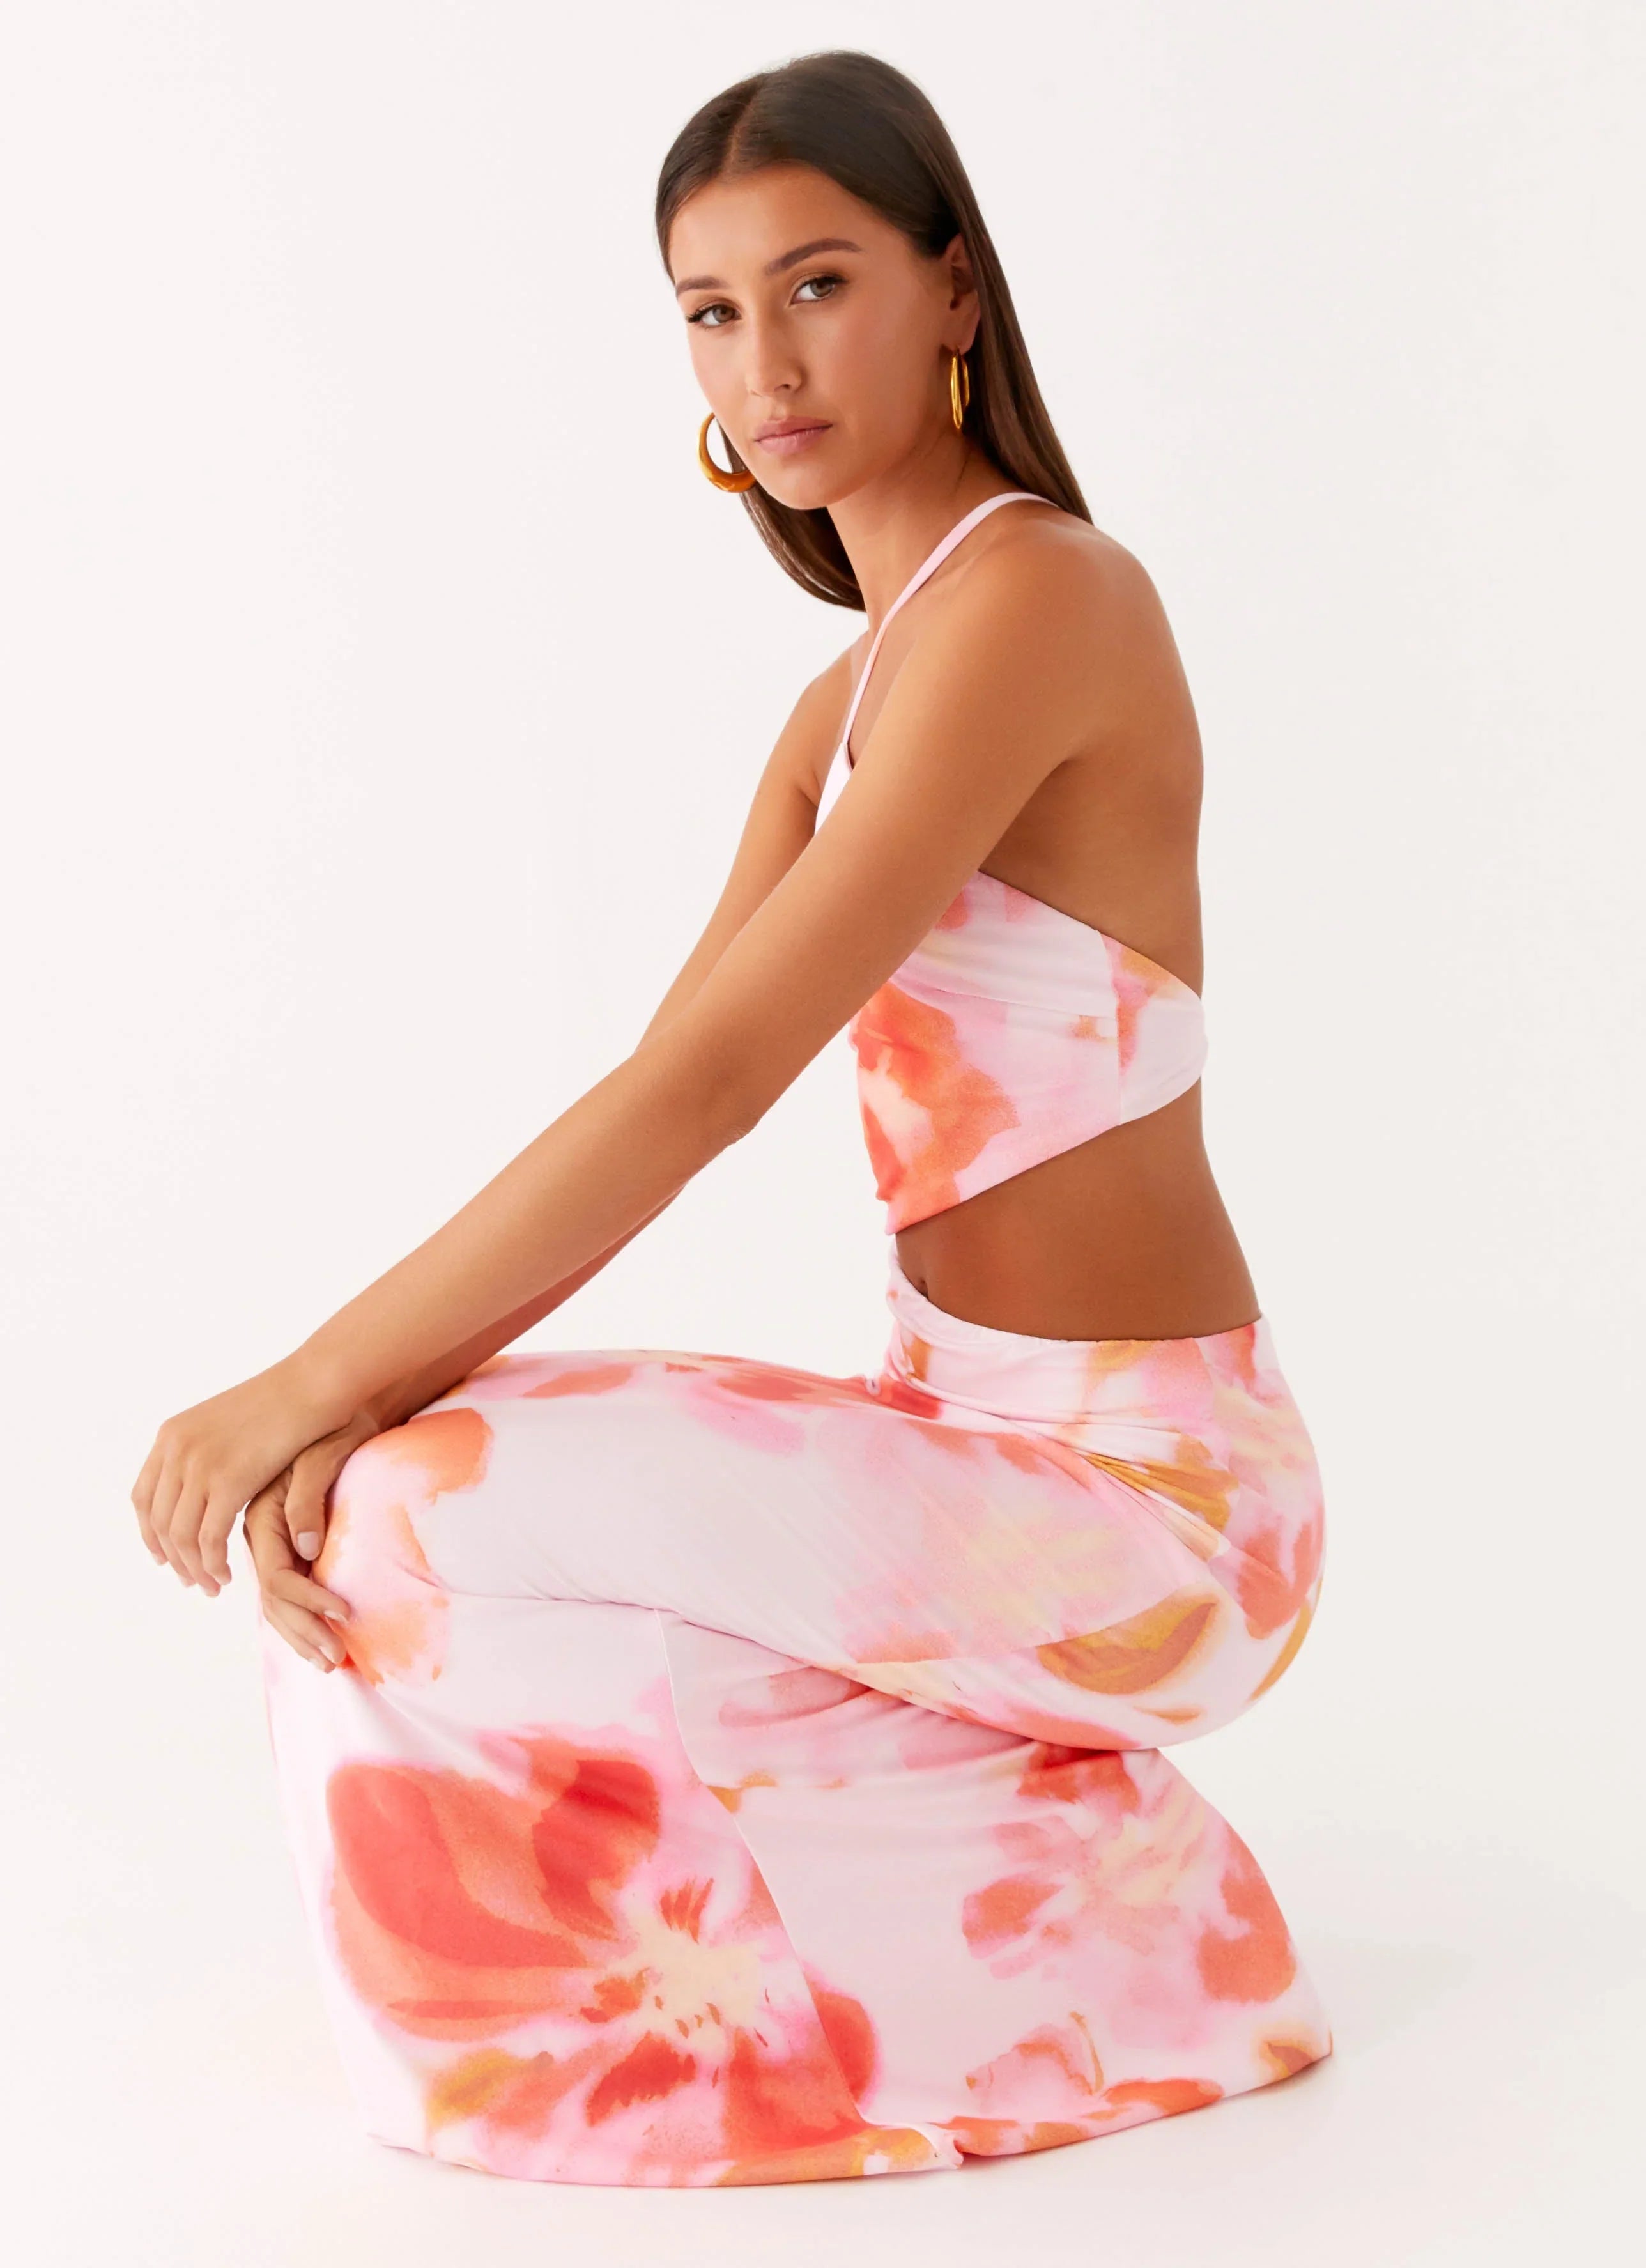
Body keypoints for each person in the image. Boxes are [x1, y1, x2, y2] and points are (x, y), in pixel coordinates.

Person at [132, 49, 1331, 2189]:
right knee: (390, 1497)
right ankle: (1089, 1908)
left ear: (954, 290)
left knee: (404, 1489)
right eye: (710, 309)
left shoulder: (1047, 599)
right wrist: (358, 1403)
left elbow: (709, 1092)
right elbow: (657, 1079)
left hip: (1154, 1509)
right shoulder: (838, 704)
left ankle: (1095, 1972)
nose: (764, 360)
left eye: (819, 284)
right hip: (960, 1437)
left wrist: (305, 1379)